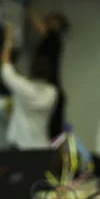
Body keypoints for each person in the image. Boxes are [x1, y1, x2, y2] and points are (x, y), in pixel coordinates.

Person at [0, 24, 57, 149]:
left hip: (19, 147)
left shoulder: (23, 87)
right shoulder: (52, 93)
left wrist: (8, 41)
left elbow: (5, 69)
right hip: (41, 147)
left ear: (31, 70)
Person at [29, 9, 70, 138]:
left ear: (58, 25)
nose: (47, 20)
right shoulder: (53, 40)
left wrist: (26, 3)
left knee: (53, 133)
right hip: (51, 91)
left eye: (52, 19)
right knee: (51, 132)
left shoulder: (54, 38)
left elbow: (36, 23)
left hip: (52, 92)